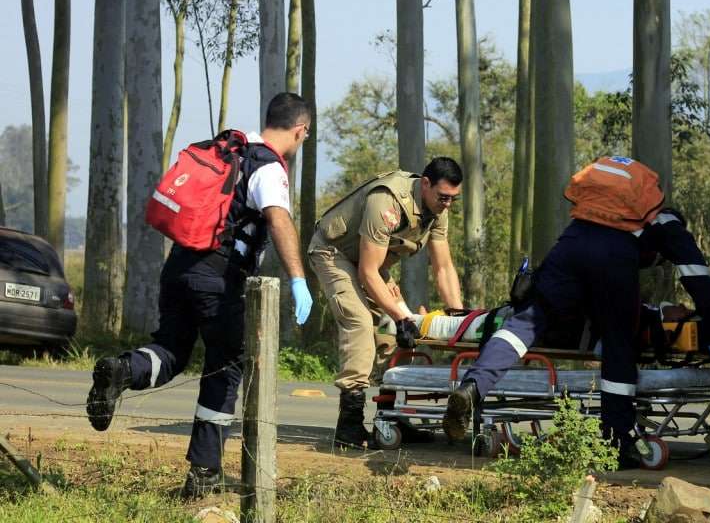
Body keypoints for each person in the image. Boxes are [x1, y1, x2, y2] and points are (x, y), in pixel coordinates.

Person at [85, 92, 314, 498]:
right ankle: (203, 473)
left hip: (178, 265)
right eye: (305, 137)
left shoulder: (231, 147)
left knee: (169, 351)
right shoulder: (267, 168)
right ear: (300, 130)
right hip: (219, 275)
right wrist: (298, 278)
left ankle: (122, 369)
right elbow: (278, 219)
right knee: (225, 367)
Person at [442, 160, 710, 469]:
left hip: (570, 245)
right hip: (613, 257)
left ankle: (473, 387)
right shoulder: (669, 227)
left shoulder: (603, 208)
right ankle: (618, 442)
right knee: (620, 343)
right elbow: (702, 283)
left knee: (525, 324)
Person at [308, 156, 465, 449]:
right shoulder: (388, 201)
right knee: (359, 322)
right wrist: (402, 316)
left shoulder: (438, 209)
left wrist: (458, 318)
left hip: (372, 263)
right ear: (426, 184)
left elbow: (443, 267)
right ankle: (349, 427)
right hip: (335, 254)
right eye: (444, 197)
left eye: (453, 199)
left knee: (396, 336)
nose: (448, 205)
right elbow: (367, 272)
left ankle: (394, 416)